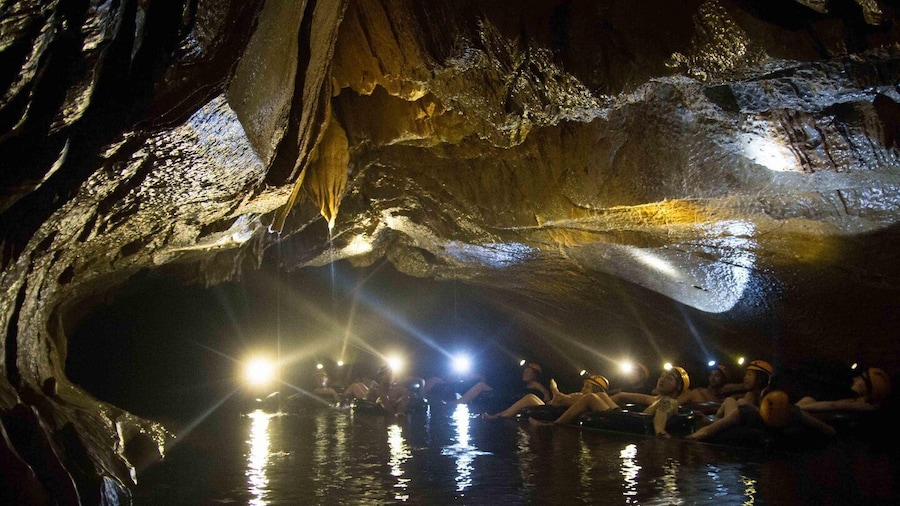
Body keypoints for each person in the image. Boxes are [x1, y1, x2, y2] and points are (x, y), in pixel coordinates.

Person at [532, 366, 691, 438]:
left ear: (678, 386)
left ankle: (554, 426)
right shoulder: (655, 398)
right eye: (662, 376)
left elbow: (663, 413)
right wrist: (606, 401)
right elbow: (623, 396)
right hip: (625, 417)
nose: (662, 379)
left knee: (590, 397)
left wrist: (659, 431)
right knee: (599, 396)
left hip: (632, 423)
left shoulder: (670, 401)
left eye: (668, 378)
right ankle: (560, 399)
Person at [481, 374, 609, 419]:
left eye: (587, 387)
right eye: (584, 385)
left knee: (530, 397)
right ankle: (500, 414)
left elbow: (560, 398)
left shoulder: (586, 398)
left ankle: (499, 416)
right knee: (530, 397)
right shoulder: (580, 395)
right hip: (553, 406)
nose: (583, 389)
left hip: (554, 411)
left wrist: (553, 387)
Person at [796, 366, 892, 412]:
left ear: (869, 387)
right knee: (808, 399)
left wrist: (796, 409)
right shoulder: (859, 401)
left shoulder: (868, 407)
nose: (855, 379)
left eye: (860, 378)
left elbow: (833, 406)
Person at [458, 362, 550, 406]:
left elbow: (545, 392)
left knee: (481, 386)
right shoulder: (523, 384)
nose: (525, 373)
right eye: (525, 371)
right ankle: (461, 400)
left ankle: (460, 402)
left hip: (506, 397)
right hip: (506, 394)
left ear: (534, 375)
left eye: (528, 371)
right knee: (482, 383)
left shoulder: (535, 384)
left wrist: (547, 400)